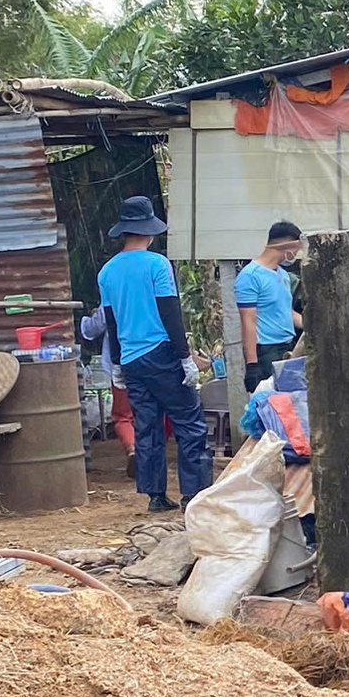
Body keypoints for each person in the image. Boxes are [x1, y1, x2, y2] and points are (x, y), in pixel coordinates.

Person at [95, 196, 210, 513]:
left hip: (131, 360)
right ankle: (195, 494)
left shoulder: (106, 273)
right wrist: (185, 357)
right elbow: (170, 313)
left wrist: (118, 363)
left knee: (147, 426)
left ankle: (156, 495)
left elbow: (112, 320)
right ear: (149, 231)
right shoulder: (158, 265)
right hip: (161, 353)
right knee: (190, 423)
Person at [235, 220, 306, 389]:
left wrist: (311, 325)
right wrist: (252, 365)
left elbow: (285, 311)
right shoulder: (250, 276)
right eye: (296, 249)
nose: (296, 254)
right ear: (287, 245)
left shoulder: (283, 275)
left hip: (287, 347)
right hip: (266, 350)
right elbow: (248, 321)